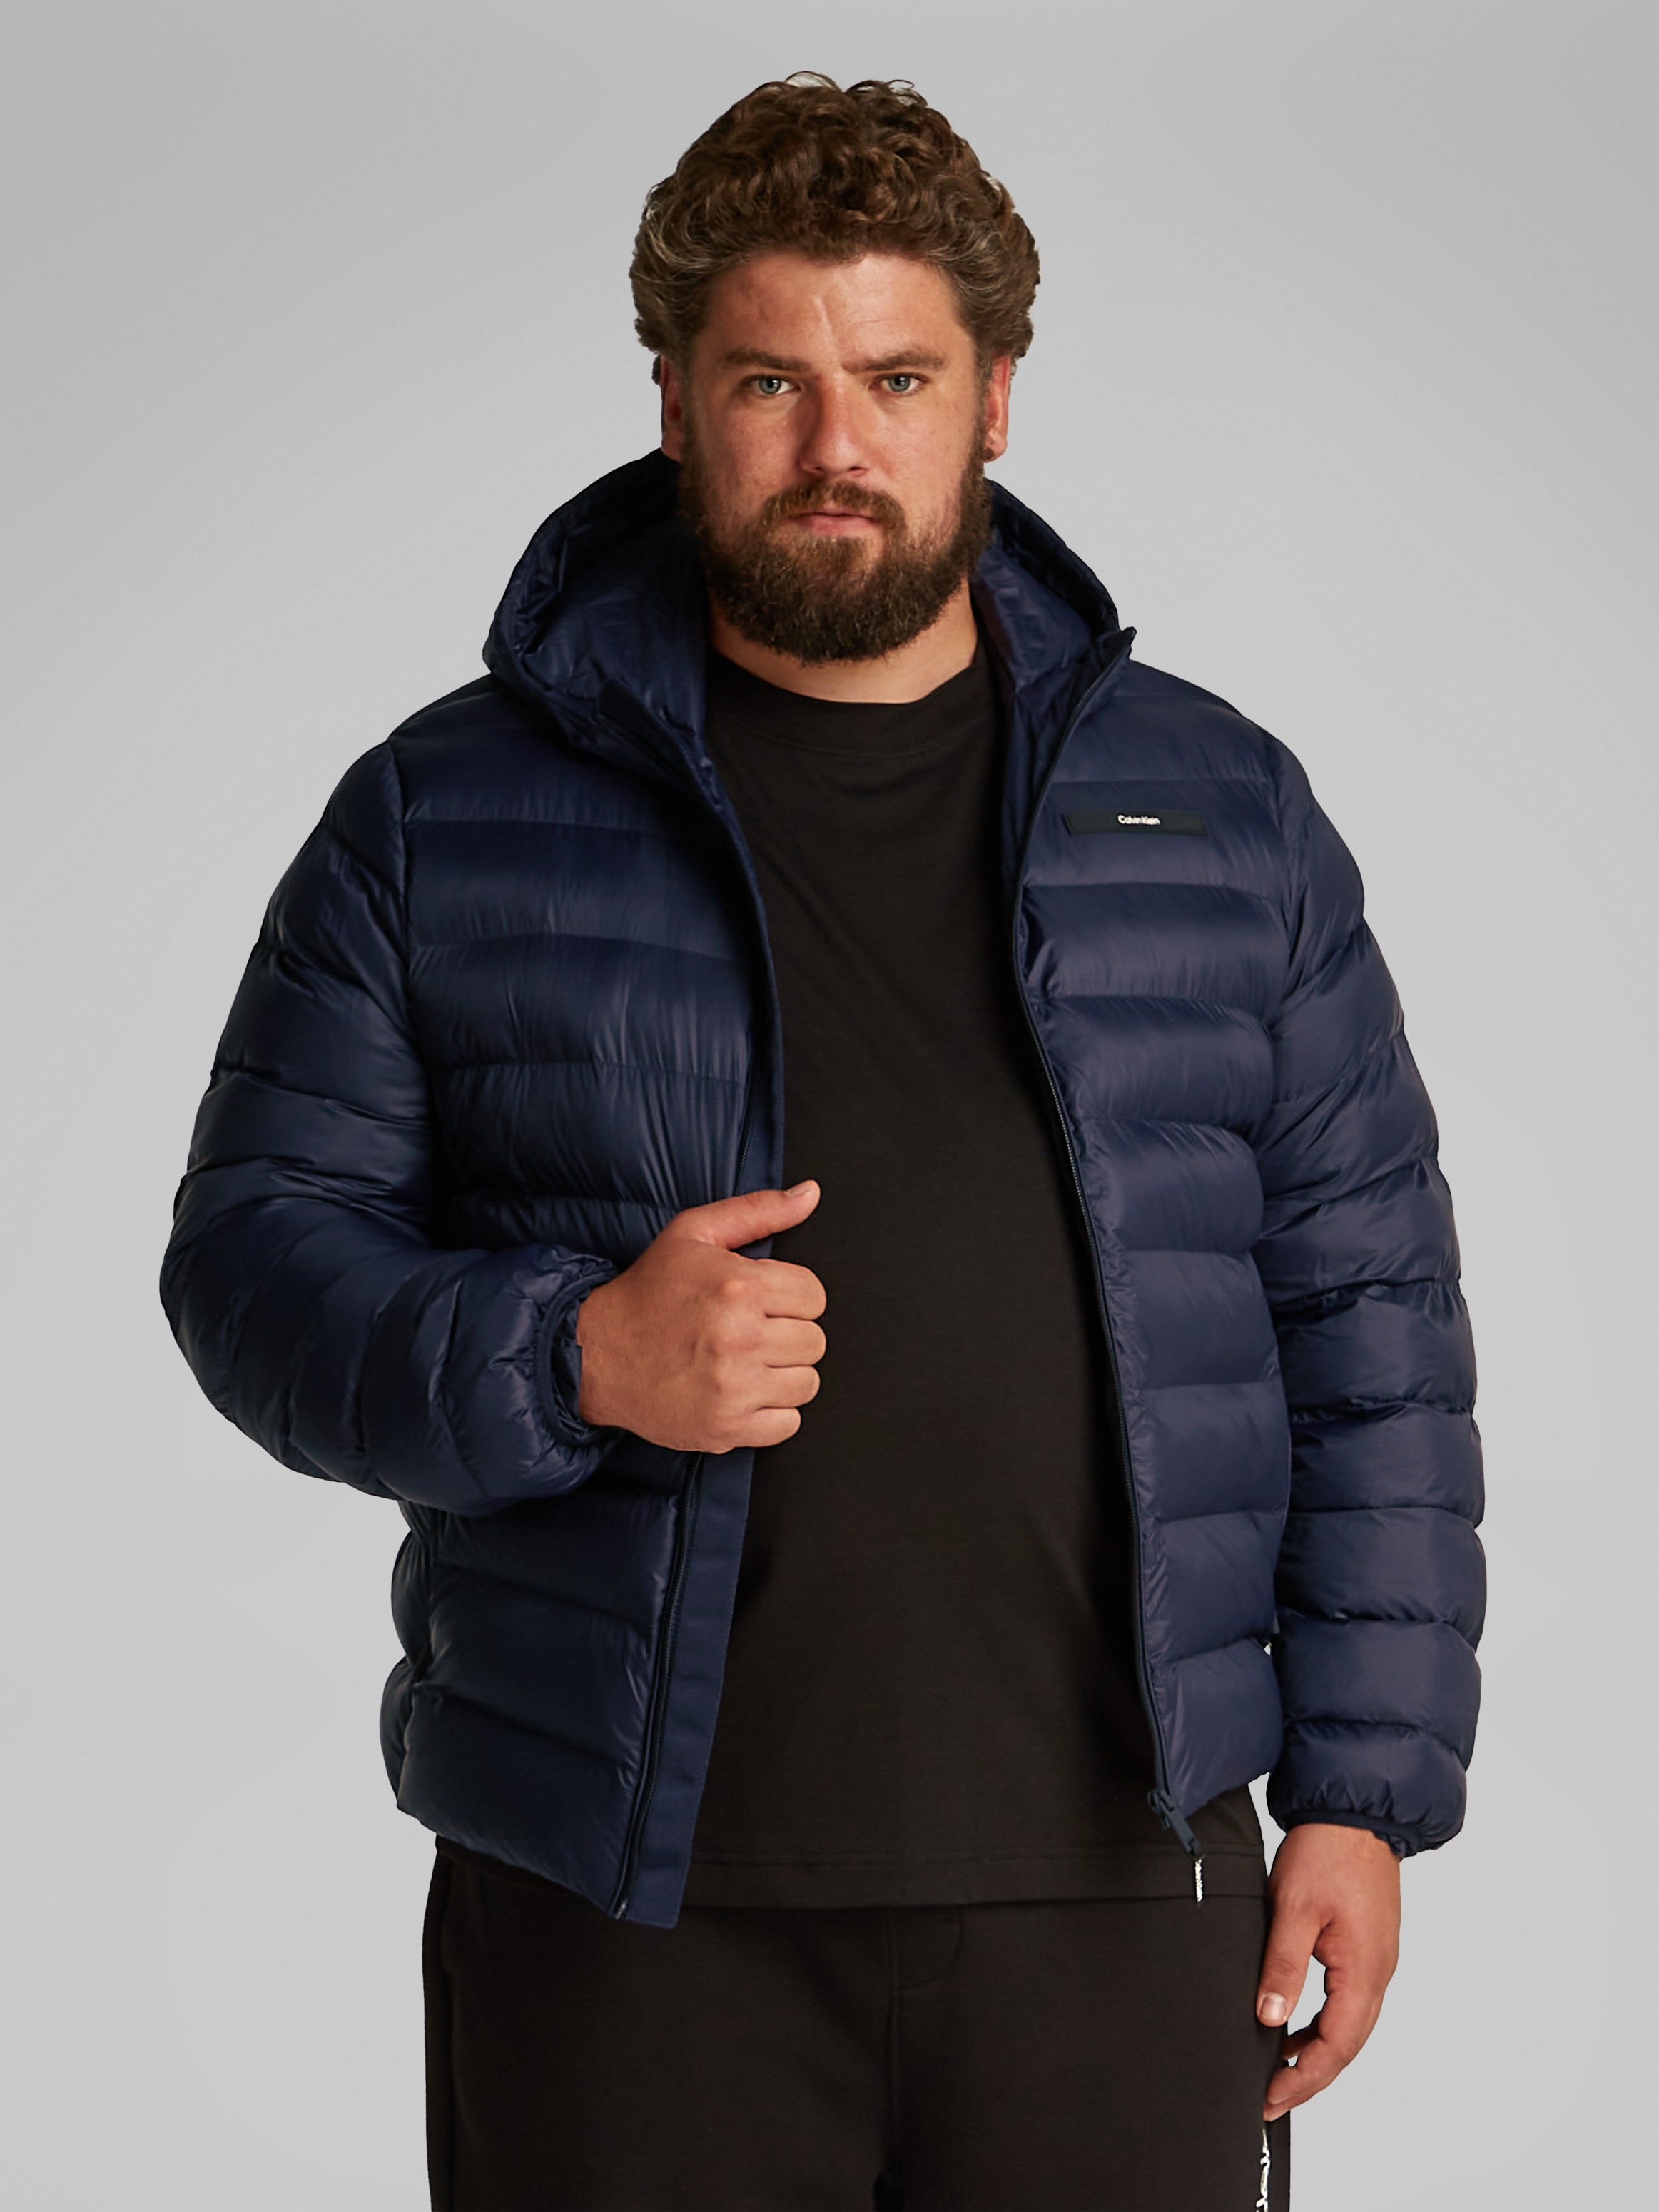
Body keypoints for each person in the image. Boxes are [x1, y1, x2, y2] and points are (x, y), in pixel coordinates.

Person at [161, 73, 1484, 2212]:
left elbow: (1373, 1326)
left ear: (997, 399)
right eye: (771, 379)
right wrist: (572, 1353)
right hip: (620, 1898)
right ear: (676, 401)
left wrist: (1359, 1790)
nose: (837, 446)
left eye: (899, 378)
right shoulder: (441, 813)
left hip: (1123, 1893)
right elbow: (250, 1261)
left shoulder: (1225, 815)